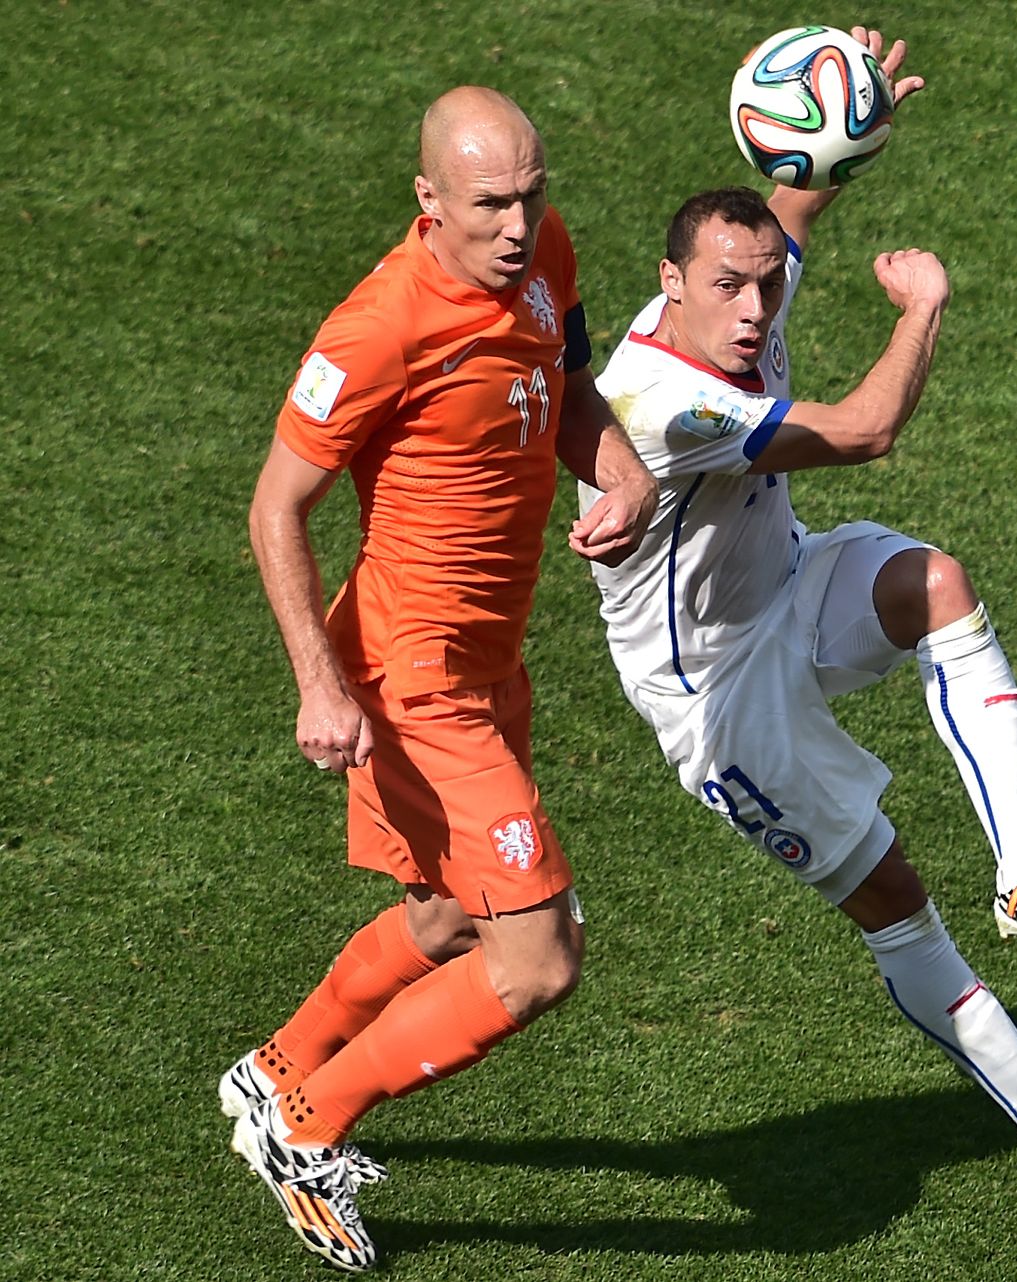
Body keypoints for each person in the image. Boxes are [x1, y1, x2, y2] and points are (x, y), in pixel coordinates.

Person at [578, 29, 1017, 1186]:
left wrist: (841, 126)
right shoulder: (663, 397)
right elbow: (867, 431)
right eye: (728, 288)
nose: (756, 308)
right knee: (896, 901)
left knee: (933, 580)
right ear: (670, 286)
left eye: (762, 286)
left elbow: (787, 215)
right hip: (716, 700)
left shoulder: (744, 290)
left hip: (788, 585)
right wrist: (924, 305)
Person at [222, 86, 656, 1273]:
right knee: (536, 958)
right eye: (488, 206)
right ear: (428, 201)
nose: (518, 227)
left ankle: (273, 1071)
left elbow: (564, 389)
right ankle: (307, 1131)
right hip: (411, 677)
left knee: (453, 911)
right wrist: (320, 681)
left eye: (532, 194)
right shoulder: (377, 328)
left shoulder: (542, 257)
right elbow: (275, 507)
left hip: (486, 658)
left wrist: (622, 472)